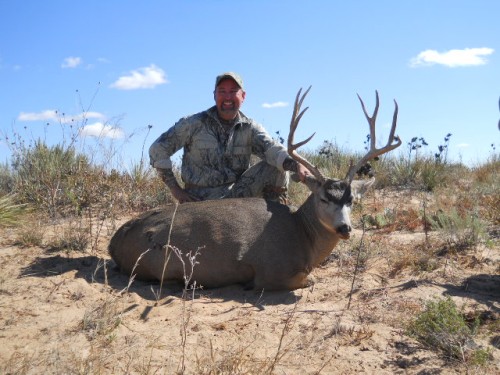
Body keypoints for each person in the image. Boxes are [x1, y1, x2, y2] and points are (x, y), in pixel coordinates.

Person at [149, 72, 311, 204]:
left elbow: (272, 150)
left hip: (236, 196)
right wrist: (175, 190)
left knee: (277, 167)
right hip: (198, 200)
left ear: (243, 96)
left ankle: (275, 222)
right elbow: (158, 149)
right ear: (214, 95)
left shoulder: (250, 128)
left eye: (233, 91)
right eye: (222, 91)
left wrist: (297, 165)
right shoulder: (193, 124)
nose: (227, 97)